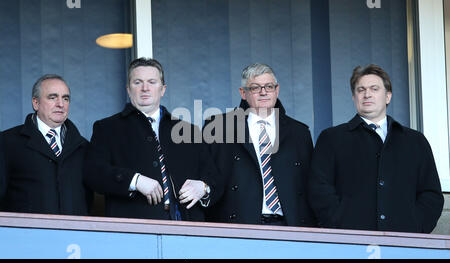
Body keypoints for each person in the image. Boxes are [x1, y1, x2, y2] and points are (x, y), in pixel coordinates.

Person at [308, 64, 444, 233]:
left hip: (405, 242)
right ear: (353, 97)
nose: (367, 94)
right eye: (361, 89)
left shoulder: (415, 141)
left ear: (388, 96)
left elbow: (431, 194)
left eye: (374, 89)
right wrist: (339, 224)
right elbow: (319, 189)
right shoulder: (332, 138)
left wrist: (416, 226)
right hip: (348, 242)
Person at [83, 58, 221, 221]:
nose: (145, 88)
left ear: (163, 89)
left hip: (187, 229)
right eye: (137, 82)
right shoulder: (107, 128)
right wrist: (135, 180)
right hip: (134, 230)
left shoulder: (188, 131)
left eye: (152, 82)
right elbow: (93, 174)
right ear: (128, 89)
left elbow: (215, 178)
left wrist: (203, 188)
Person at [203, 63, 316, 226]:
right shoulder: (218, 127)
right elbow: (208, 176)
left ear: (276, 90)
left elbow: (310, 185)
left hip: (289, 227)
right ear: (243, 93)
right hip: (239, 227)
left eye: (269, 87)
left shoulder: (299, 132)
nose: (263, 92)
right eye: (255, 88)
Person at [0, 74, 91, 215]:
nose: (60, 104)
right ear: (35, 103)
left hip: (73, 235)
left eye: (65, 98)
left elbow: (89, 199)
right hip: (25, 234)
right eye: (52, 97)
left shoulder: (83, 147)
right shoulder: (7, 142)